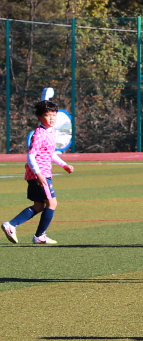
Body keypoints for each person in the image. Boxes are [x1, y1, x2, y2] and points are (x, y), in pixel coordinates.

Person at [2, 100, 74, 244]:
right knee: (52, 203)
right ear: (40, 118)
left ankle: (11, 224)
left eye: (54, 115)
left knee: (39, 206)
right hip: (40, 174)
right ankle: (40, 236)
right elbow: (31, 156)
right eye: (48, 115)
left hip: (39, 173)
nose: (52, 118)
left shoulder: (52, 132)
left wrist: (64, 165)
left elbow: (51, 153)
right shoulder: (39, 134)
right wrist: (39, 174)